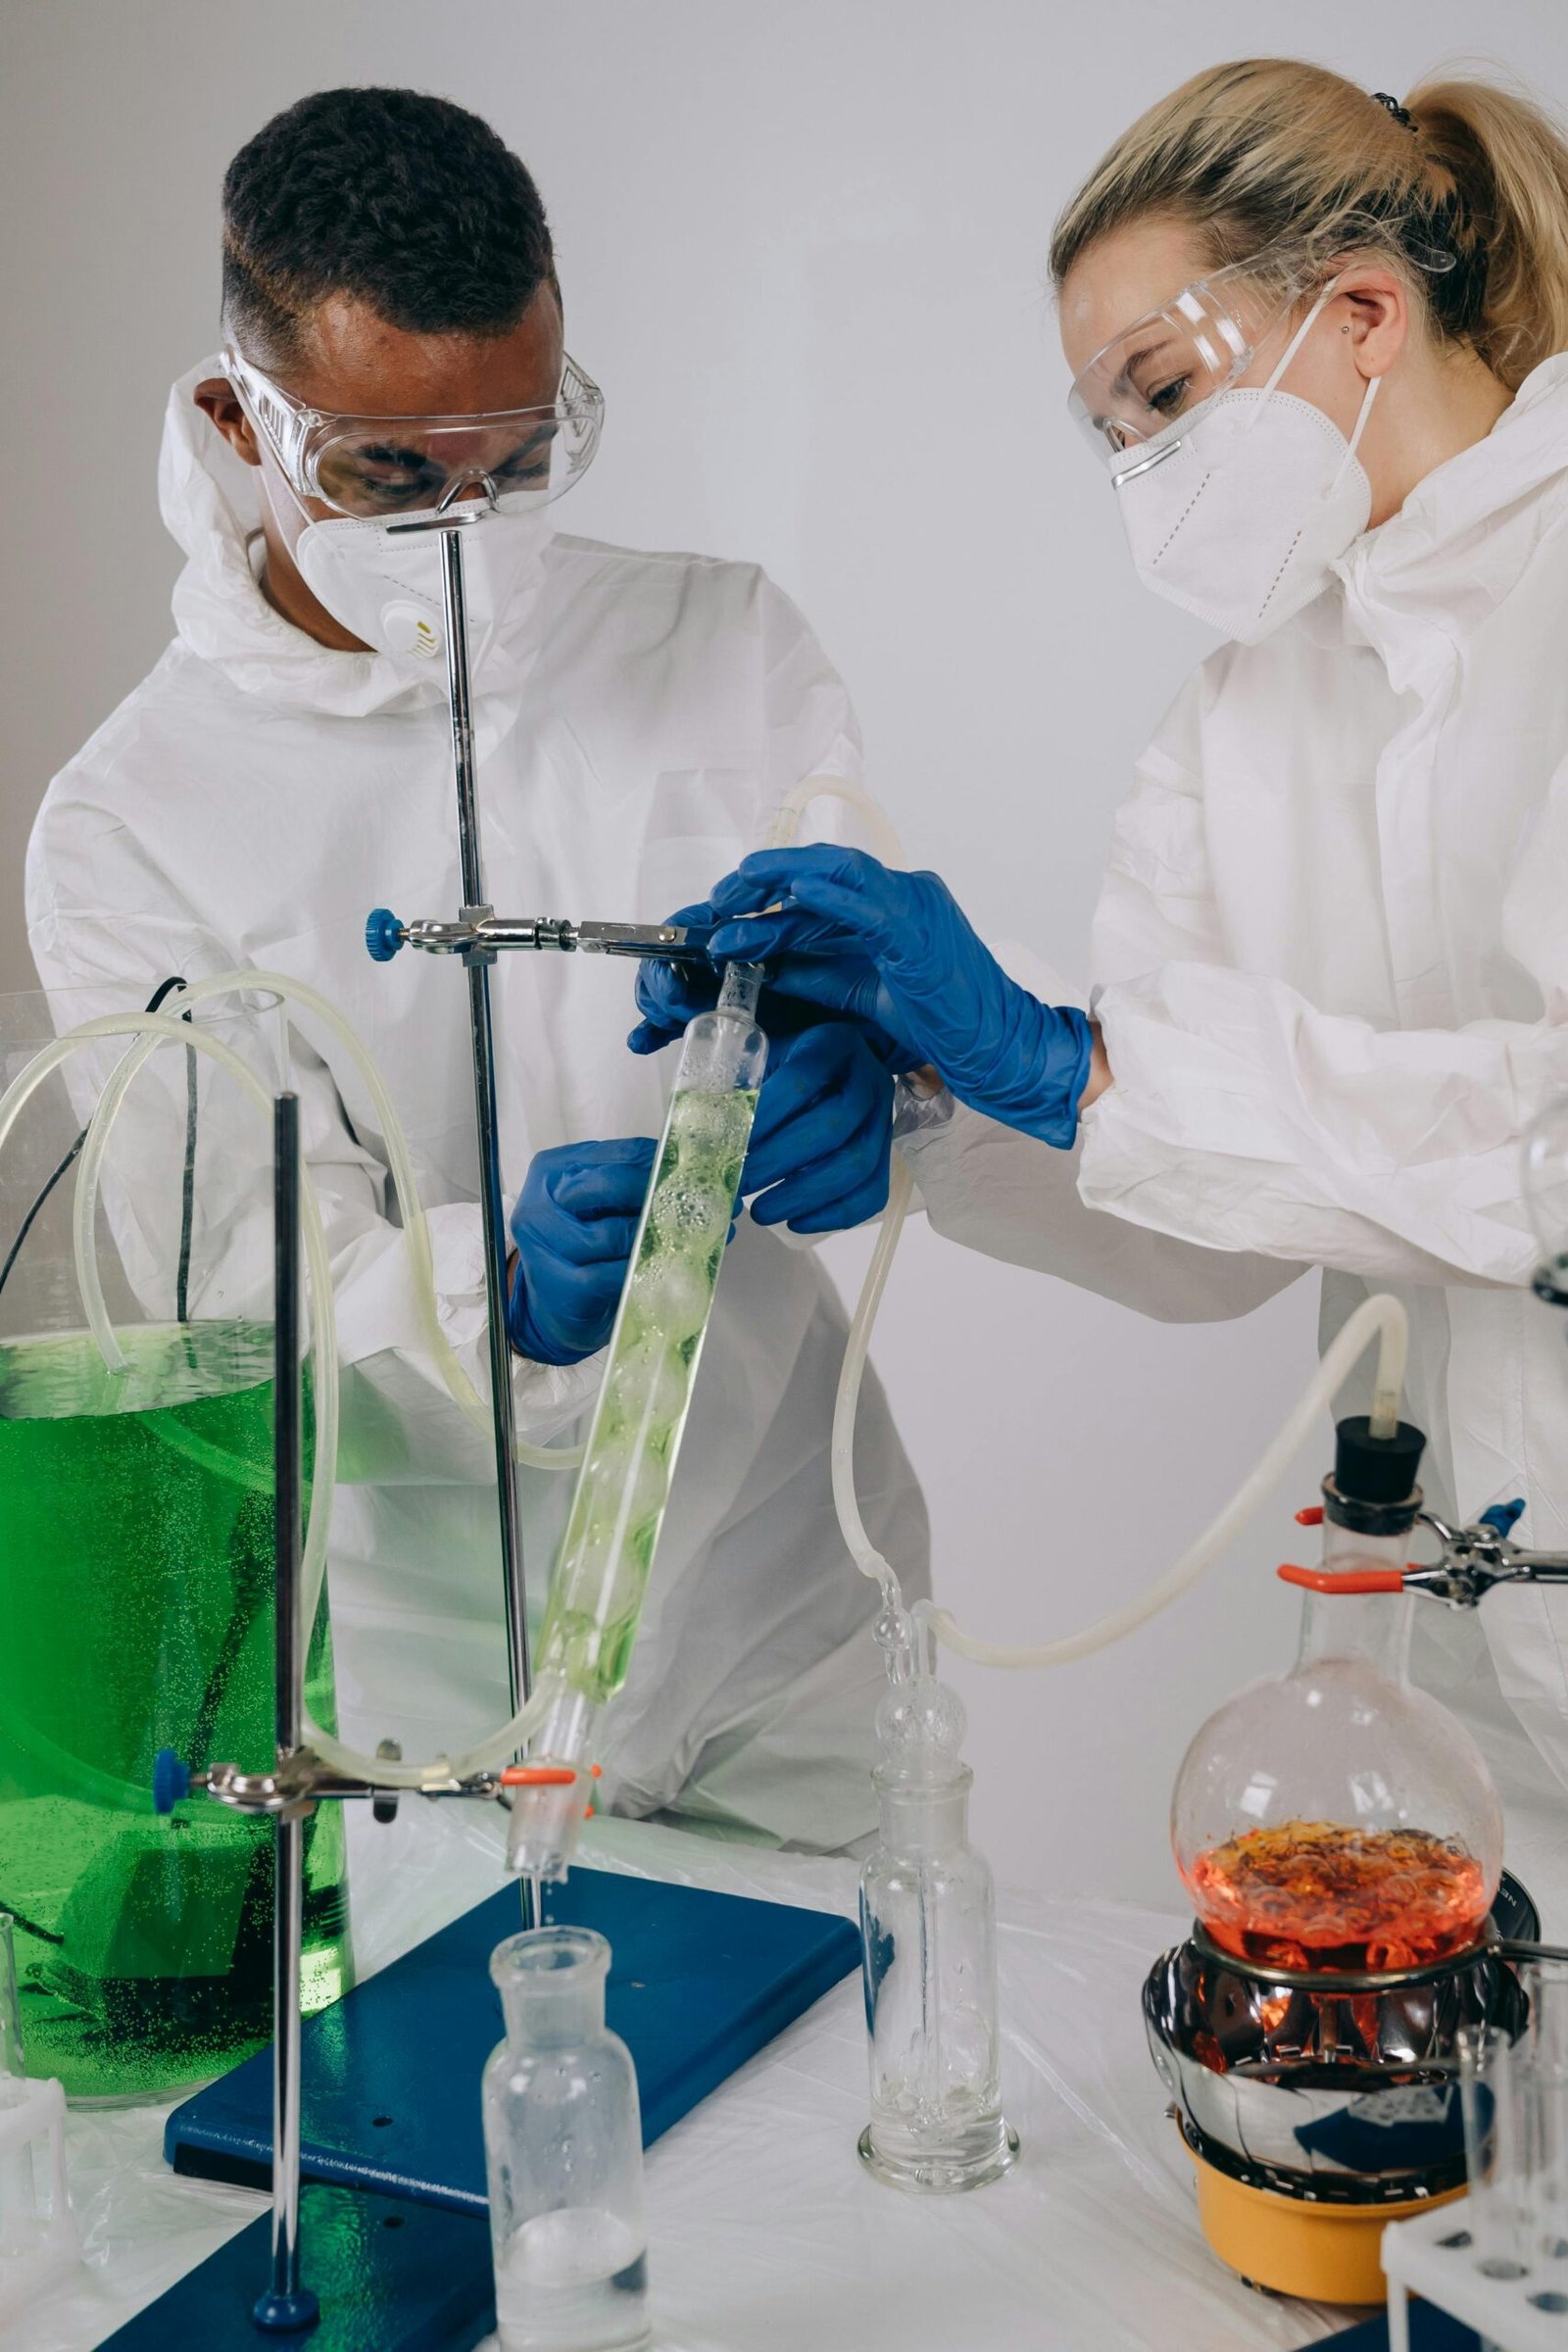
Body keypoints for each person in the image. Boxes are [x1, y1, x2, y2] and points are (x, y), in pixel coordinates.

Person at [654, 62, 1568, 1911]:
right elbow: (1209, 1234)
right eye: (1109, 431)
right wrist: (931, 1103)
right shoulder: (1244, 711)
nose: (1145, 475)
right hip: (1473, 1670)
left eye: (1162, 392)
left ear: (1365, 311)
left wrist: (1074, 1065)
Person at [26, 86, 927, 1855]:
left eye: (514, 459)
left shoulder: (719, 641)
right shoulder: (127, 823)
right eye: (390, 472)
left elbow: (865, 975)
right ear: (240, 421)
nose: (465, 519)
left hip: (781, 1602)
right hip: (424, 1680)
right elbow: (232, 1297)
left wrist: (871, 1075)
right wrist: (486, 1295)